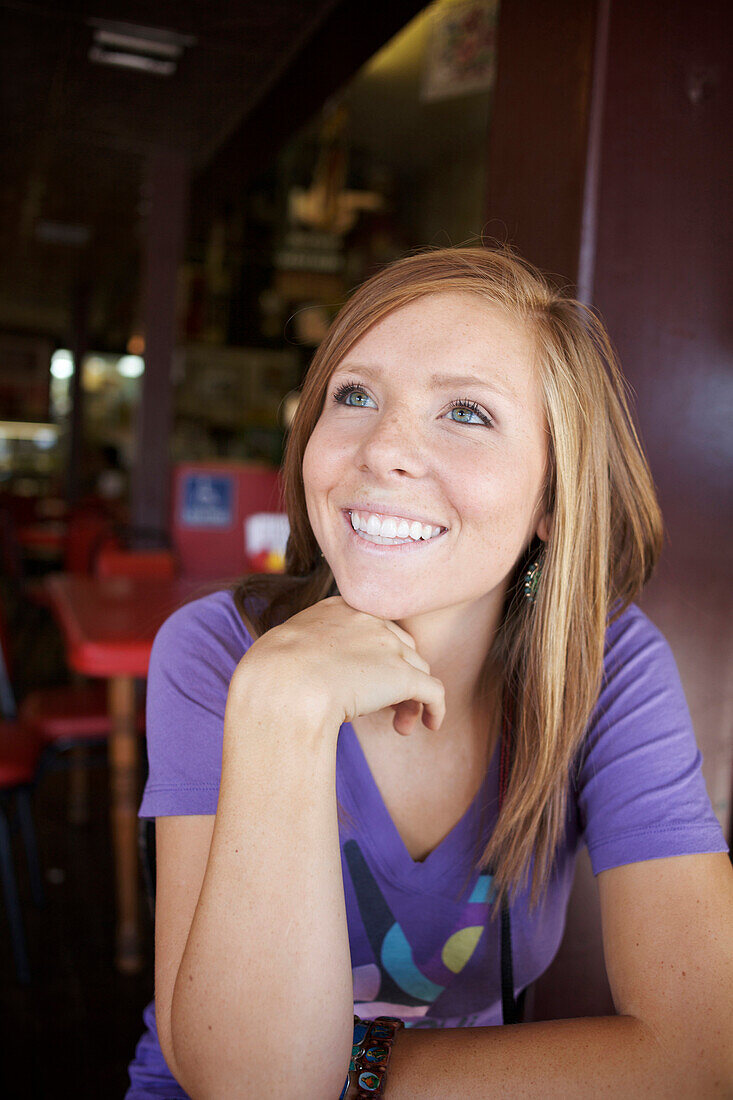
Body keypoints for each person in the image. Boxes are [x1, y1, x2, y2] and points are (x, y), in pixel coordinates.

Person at [126, 247, 732, 1098]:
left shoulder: (608, 667)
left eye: (467, 414)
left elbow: (703, 1052)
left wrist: (351, 1077)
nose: (383, 451)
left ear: (552, 501)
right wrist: (282, 703)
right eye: (356, 395)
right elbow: (247, 1084)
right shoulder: (217, 652)